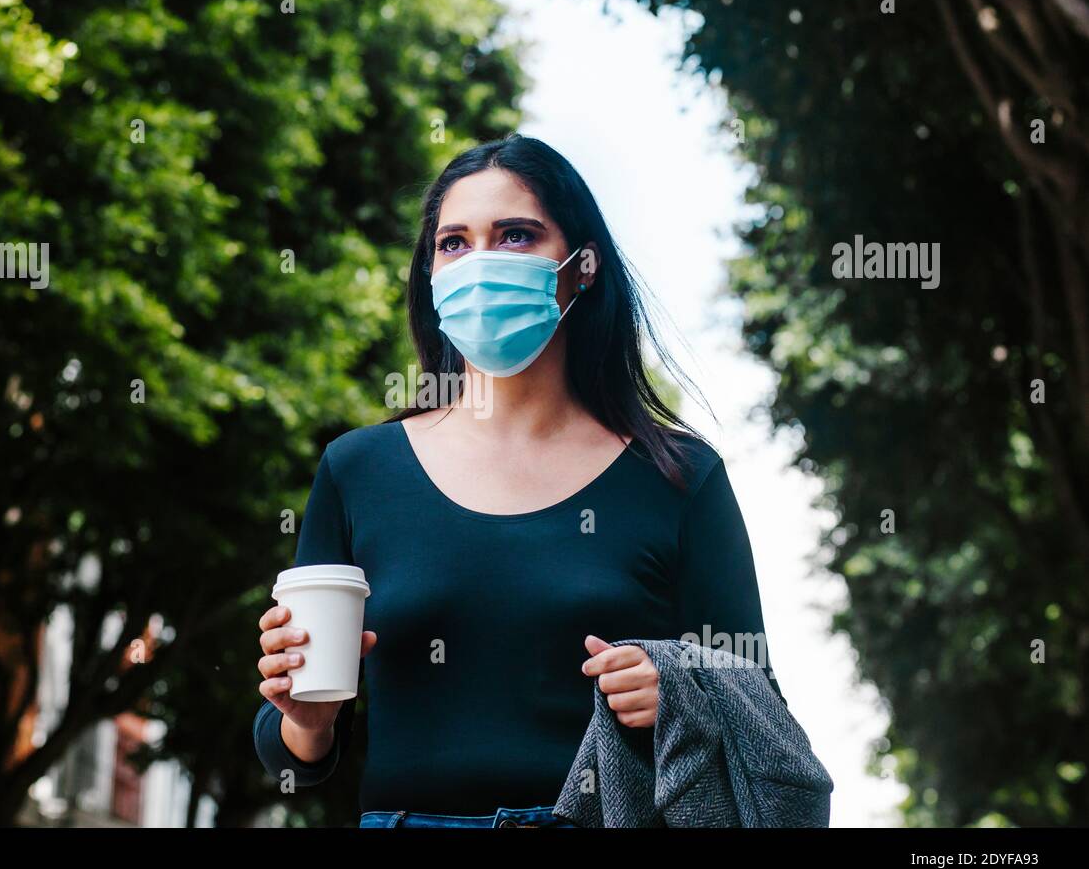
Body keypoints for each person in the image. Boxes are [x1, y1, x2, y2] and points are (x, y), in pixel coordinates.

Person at [253, 133, 785, 829]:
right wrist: (307, 722)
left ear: (581, 266)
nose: (480, 263)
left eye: (516, 235)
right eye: (454, 243)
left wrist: (682, 698)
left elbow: (763, 721)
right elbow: (292, 763)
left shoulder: (680, 479)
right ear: (430, 273)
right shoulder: (358, 471)